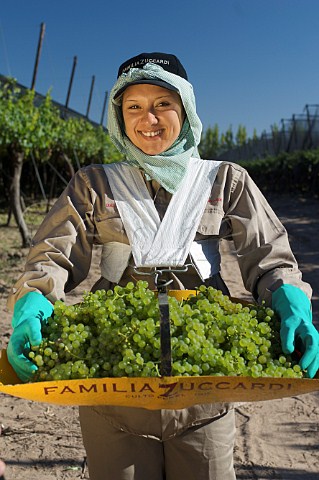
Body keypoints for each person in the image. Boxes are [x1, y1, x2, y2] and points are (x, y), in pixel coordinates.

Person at [6, 52, 319, 480]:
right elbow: (54, 252)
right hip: (115, 384)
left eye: (162, 104)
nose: (147, 119)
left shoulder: (224, 180)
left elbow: (268, 255)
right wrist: (34, 299)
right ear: (120, 118)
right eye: (133, 107)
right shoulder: (94, 183)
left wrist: (288, 298)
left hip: (206, 386)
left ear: (185, 110)